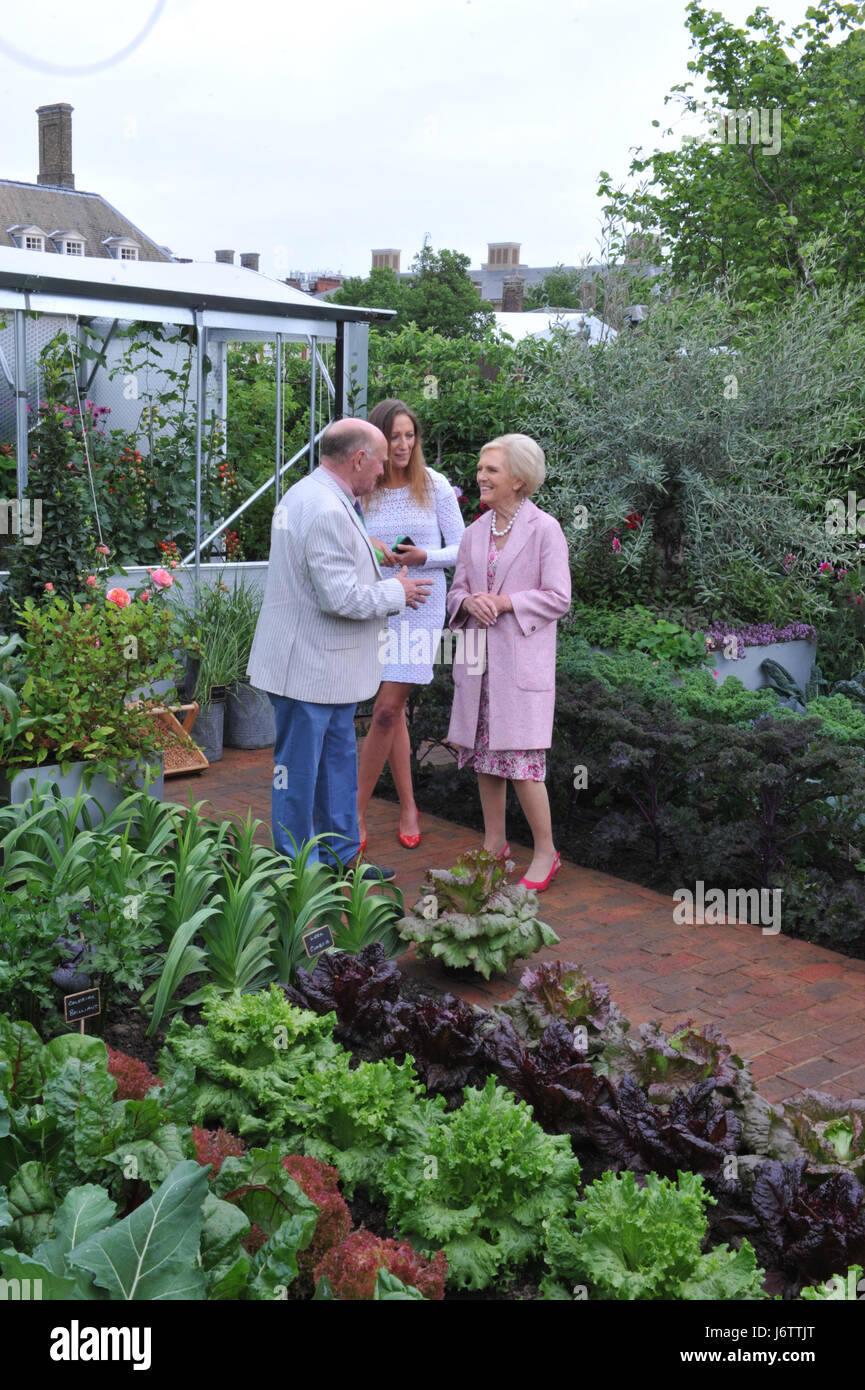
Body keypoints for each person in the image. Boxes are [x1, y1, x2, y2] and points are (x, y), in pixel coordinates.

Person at [246, 418, 432, 879]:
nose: (382, 474)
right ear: (357, 459)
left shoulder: (315, 495)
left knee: (336, 771)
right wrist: (397, 594)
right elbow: (340, 598)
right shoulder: (327, 508)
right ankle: (300, 874)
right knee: (299, 778)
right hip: (307, 670)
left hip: (325, 671)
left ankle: (342, 859)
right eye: (380, 464)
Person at [446, 434, 571, 891]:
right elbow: (455, 593)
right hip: (479, 663)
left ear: (518, 479)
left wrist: (503, 603)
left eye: (491, 470)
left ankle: (545, 852)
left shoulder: (545, 529)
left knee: (522, 764)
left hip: (519, 664)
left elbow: (559, 597)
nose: (480, 476)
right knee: (484, 756)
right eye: (480, 468)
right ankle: (494, 843)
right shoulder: (474, 532)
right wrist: (468, 603)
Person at [356, 399, 465, 851]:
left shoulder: (434, 485)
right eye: (394, 436)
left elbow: (463, 549)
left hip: (420, 605)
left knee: (384, 710)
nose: (403, 444)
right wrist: (376, 543)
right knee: (391, 711)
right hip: (377, 601)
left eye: (409, 435)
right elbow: (348, 534)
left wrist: (424, 556)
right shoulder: (367, 485)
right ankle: (408, 806)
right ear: (380, 440)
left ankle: (353, 813)